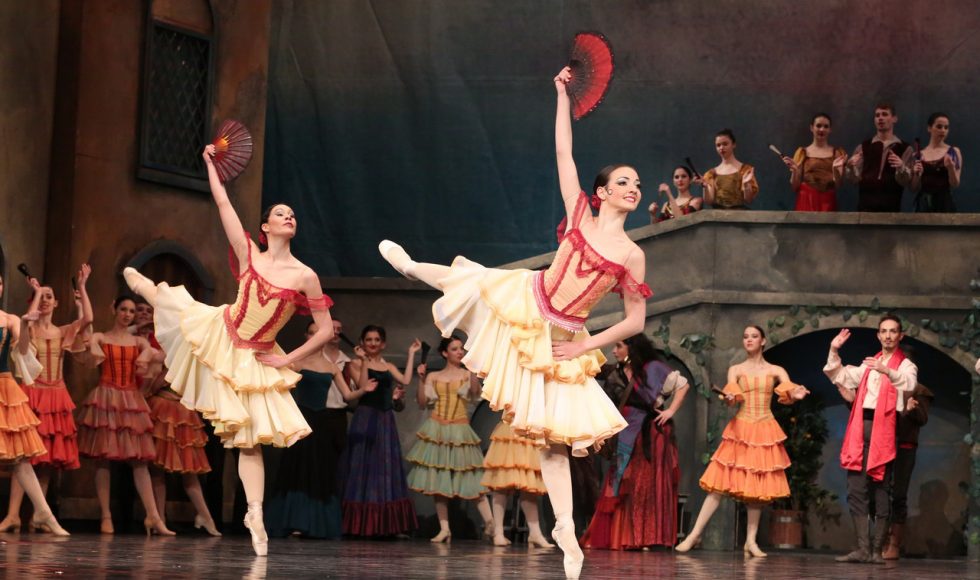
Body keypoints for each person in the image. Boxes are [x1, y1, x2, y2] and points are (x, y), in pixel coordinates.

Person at [378, 66, 649, 579]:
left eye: (636, 183)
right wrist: (561, 95)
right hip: (531, 300)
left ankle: (565, 529)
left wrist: (584, 346)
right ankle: (411, 266)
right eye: (623, 182)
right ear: (602, 192)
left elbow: (636, 319)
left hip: (566, 334)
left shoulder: (632, 255)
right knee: (473, 279)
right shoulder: (580, 215)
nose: (632, 188)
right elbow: (564, 153)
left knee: (552, 441)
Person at [123, 144, 335, 556]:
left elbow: (325, 330)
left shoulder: (305, 276)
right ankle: (143, 285)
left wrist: (287, 359)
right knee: (177, 307)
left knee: (249, 440)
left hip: (258, 357)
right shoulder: (249, 253)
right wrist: (210, 166)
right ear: (265, 227)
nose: (289, 217)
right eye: (281, 213)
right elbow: (223, 204)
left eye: (293, 214)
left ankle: (255, 513)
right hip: (225, 332)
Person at [676, 325, 808, 557]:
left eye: (754, 336)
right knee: (718, 485)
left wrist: (796, 394)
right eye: (745, 336)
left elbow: (789, 390)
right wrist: (730, 397)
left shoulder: (775, 370)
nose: (749, 340)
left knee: (756, 489)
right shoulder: (736, 369)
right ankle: (694, 535)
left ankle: (751, 541)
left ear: (763, 341)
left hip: (764, 429)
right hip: (741, 428)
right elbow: (733, 399)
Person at [0, 265, 91, 532]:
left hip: (7, 387)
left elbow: (23, 353)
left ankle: (43, 513)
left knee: (22, 457)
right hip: (20, 389)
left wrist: (25, 322)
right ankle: (24, 514)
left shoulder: (10, 320)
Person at [75, 295, 174, 536]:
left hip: (130, 399)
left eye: (131, 311)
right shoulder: (102, 337)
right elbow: (87, 342)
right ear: (114, 309)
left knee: (140, 461)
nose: (128, 314)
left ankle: (153, 516)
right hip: (106, 397)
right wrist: (81, 303)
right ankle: (106, 516)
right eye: (124, 309)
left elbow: (161, 357)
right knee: (103, 459)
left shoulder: (139, 342)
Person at [580, 334, 690, 550]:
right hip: (625, 431)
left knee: (644, 485)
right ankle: (622, 537)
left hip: (649, 434)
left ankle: (642, 537)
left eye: (619, 346)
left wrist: (670, 411)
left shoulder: (653, 368)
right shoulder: (616, 372)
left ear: (631, 348)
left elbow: (683, 385)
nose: (614, 351)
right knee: (621, 484)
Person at [823, 315, 917, 564]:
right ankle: (863, 549)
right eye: (883, 331)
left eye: (893, 331)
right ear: (878, 335)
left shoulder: (905, 365)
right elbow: (841, 375)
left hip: (884, 428)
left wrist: (887, 371)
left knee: (881, 489)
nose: (888, 335)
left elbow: (909, 383)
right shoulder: (869, 364)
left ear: (900, 336)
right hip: (861, 427)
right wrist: (834, 349)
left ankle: (877, 550)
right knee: (856, 489)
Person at [266, 321, 363, 539]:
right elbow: (278, 381)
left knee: (318, 472)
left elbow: (348, 396)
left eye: (317, 334)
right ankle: (294, 521)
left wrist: (365, 389)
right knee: (297, 470)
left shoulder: (331, 367)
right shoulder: (297, 362)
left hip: (321, 424)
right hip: (301, 421)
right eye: (310, 333)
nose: (314, 337)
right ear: (306, 336)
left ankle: (315, 524)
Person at [132, 299, 220, 536]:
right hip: (163, 407)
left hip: (183, 411)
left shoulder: (191, 351)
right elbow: (152, 382)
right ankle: (159, 518)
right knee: (158, 469)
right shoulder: (164, 353)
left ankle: (205, 516)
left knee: (188, 469)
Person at [406, 335, 494, 542]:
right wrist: (421, 380)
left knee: (472, 478)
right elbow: (422, 403)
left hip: (460, 429)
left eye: (461, 348)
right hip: (437, 429)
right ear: (445, 353)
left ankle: (491, 524)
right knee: (439, 481)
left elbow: (475, 392)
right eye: (454, 349)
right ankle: (445, 529)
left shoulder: (466, 373)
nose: (459, 352)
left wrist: (473, 370)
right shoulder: (434, 376)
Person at [339, 325, 419, 537]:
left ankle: (386, 525)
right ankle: (360, 524)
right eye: (369, 339)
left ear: (383, 344)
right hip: (366, 417)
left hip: (385, 419)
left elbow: (405, 380)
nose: (373, 343)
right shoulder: (355, 363)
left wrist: (411, 354)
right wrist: (364, 360)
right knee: (363, 466)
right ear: (362, 342)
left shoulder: (388, 365)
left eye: (376, 340)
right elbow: (363, 386)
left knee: (385, 468)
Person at [481, 419, 555, 548]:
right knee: (502, 481)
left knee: (529, 485)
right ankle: (498, 533)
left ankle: (535, 533)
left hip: (529, 429)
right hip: (510, 428)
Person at [845, 103, 913, 212]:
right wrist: (850, 168)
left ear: (894, 119)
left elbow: (906, 182)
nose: (880, 118)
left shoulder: (904, 148)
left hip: (891, 210)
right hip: (865, 209)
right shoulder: (863, 147)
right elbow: (854, 180)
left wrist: (901, 167)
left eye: (884, 114)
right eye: (877, 115)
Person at [782, 113, 847, 211]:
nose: (822, 129)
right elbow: (794, 187)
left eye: (826, 126)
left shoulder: (837, 153)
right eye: (818, 126)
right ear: (811, 128)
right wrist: (795, 171)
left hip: (828, 202)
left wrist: (835, 170)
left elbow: (839, 184)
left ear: (830, 129)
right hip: (806, 200)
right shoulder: (802, 152)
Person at [911, 112, 963, 212]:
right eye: (939, 127)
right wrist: (917, 175)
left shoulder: (953, 152)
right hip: (924, 204)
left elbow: (955, 184)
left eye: (946, 127)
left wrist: (951, 168)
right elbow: (913, 188)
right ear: (929, 128)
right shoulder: (918, 155)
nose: (943, 130)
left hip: (944, 204)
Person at [701, 129, 759, 209]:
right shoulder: (711, 173)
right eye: (718, 145)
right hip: (718, 214)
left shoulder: (745, 170)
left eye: (725, 144)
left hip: (738, 214)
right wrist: (705, 187)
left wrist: (746, 184)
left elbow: (749, 200)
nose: (721, 148)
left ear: (733, 144)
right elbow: (709, 201)